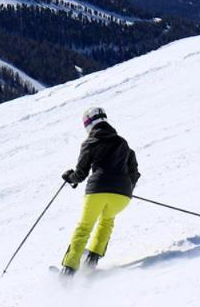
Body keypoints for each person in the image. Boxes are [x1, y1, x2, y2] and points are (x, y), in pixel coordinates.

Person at [57, 106, 140, 274]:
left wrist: (69, 177)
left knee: (85, 227)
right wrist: (126, 187)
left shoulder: (90, 142)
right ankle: (91, 261)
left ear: (88, 125)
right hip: (122, 196)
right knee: (107, 222)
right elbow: (134, 172)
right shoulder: (122, 143)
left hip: (98, 191)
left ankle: (68, 271)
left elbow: (80, 174)